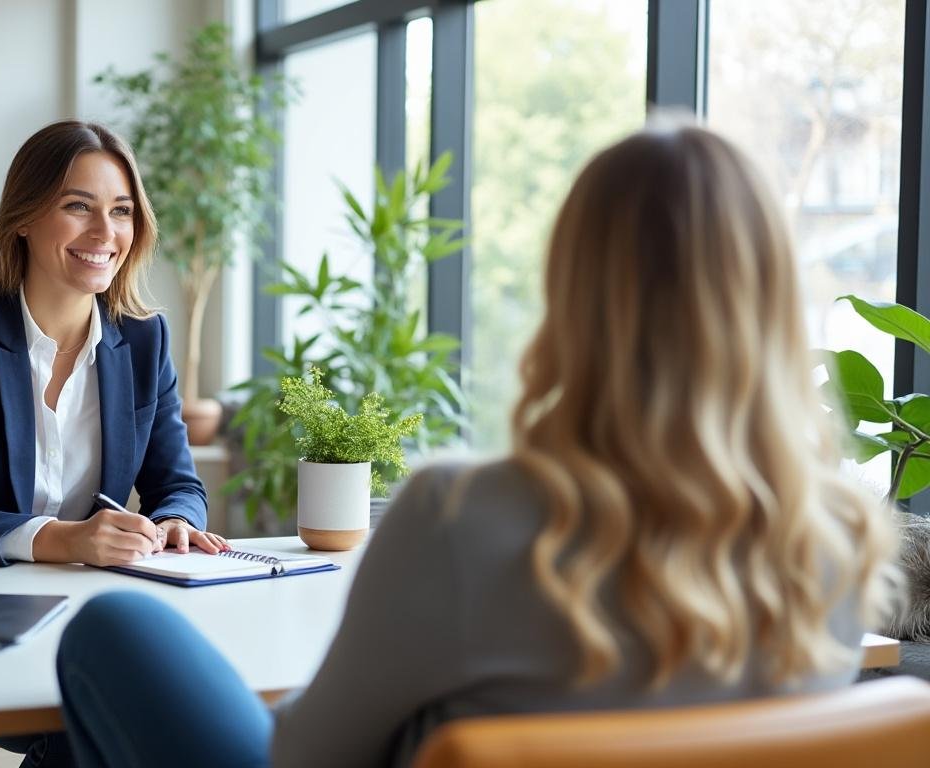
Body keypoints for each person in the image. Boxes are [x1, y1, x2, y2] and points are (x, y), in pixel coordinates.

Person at [52, 122, 902, 767]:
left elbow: (306, 756)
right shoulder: (836, 540)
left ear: (573, 293)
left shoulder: (464, 515)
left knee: (115, 628)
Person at [0, 119, 227, 767]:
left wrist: (177, 522)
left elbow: (178, 483)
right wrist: (62, 539)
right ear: (23, 218)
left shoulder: (144, 341)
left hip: (96, 614)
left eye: (121, 211)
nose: (105, 233)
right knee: (107, 724)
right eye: (78, 207)